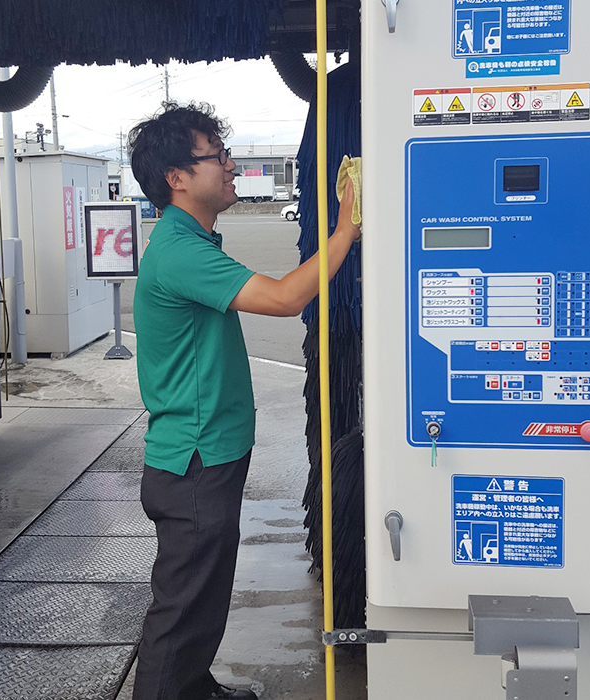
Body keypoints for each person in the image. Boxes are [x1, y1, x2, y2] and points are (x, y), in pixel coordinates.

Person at [127, 101, 360, 700]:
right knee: (181, 611)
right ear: (177, 177)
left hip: (207, 455)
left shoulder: (190, 240)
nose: (231, 165)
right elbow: (283, 299)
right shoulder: (179, 251)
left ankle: (193, 687)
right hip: (194, 461)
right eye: (217, 156)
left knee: (203, 598)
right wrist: (344, 231)